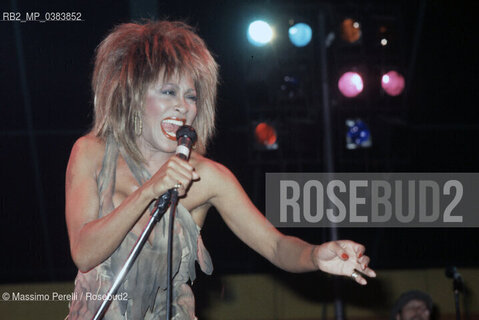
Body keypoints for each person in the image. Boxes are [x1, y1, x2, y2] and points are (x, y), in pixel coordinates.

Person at [65, 20, 376, 320]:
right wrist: (150, 190)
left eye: (191, 96)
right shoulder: (91, 153)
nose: (183, 107)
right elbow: (84, 252)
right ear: (132, 95)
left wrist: (314, 255)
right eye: (169, 92)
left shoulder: (208, 177)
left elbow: (276, 245)